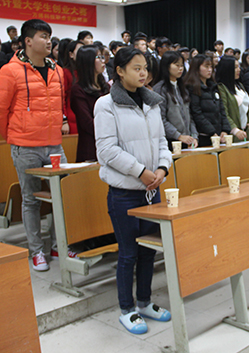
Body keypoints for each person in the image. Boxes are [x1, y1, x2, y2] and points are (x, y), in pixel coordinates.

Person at [94, 47, 172, 335]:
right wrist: (140, 171)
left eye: (145, 68)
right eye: (136, 68)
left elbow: (162, 142)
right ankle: (127, 309)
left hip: (152, 190)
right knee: (128, 253)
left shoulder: (152, 102)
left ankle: (145, 302)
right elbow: (106, 150)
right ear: (119, 71)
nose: (143, 73)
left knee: (149, 251)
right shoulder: (106, 105)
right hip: (125, 192)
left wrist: (162, 168)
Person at [0, 19, 68, 271]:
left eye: (50, 36)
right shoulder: (10, 71)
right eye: (43, 36)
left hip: (54, 145)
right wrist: (15, 136)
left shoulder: (57, 70)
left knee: (63, 195)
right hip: (26, 147)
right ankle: (36, 251)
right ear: (28, 41)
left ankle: (58, 245)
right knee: (31, 200)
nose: (49, 41)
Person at [70, 45, 109, 162]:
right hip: (90, 148)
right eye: (98, 57)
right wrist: (110, 129)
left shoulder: (105, 87)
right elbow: (87, 123)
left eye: (102, 57)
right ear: (88, 61)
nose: (103, 61)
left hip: (109, 145)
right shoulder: (78, 90)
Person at [152, 51, 198, 148]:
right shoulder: (160, 89)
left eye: (182, 65)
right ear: (166, 66)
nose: (180, 68)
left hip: (187, 141)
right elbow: (160, 119)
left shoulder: (182, 87)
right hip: (170, 142)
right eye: (177, 65)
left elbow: (189, 116)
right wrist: (178, 136)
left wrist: (194, 136)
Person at [185, 54, 231, 146]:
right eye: (206, 66)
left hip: (218, 134)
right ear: (197, 68)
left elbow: (222, 110)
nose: (210, 70)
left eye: (211, 67)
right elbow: (196, 113)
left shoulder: (213, 86)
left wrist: (225, 130)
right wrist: (211, 132)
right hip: (203, 136)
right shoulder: (193, 87)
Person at [216, 56, 249, 141]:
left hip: (245, 132)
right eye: (235, 67)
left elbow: (246, 105)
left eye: (239, 67)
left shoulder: (240, 85)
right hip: (232, 134)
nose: (239, 70)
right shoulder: (221, 88)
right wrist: (235, 130)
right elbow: (224, 113)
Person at [62, 40, 84, 134]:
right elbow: (62, 98)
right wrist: (64, 121)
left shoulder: (87, 72)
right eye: (79, 51)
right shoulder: (65, 72)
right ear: (71, 54)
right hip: (72, 120)